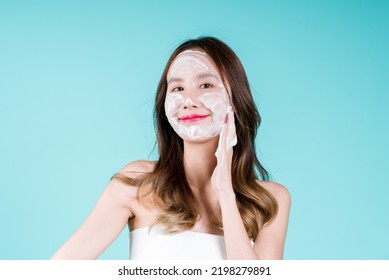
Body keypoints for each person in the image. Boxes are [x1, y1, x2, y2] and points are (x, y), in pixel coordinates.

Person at [51, 36, 291, 260]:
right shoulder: (137, 183)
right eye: (177, 88)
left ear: (236, 102)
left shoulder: (271, 200)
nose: (189, 101)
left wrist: (225, 193)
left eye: (206, 85)